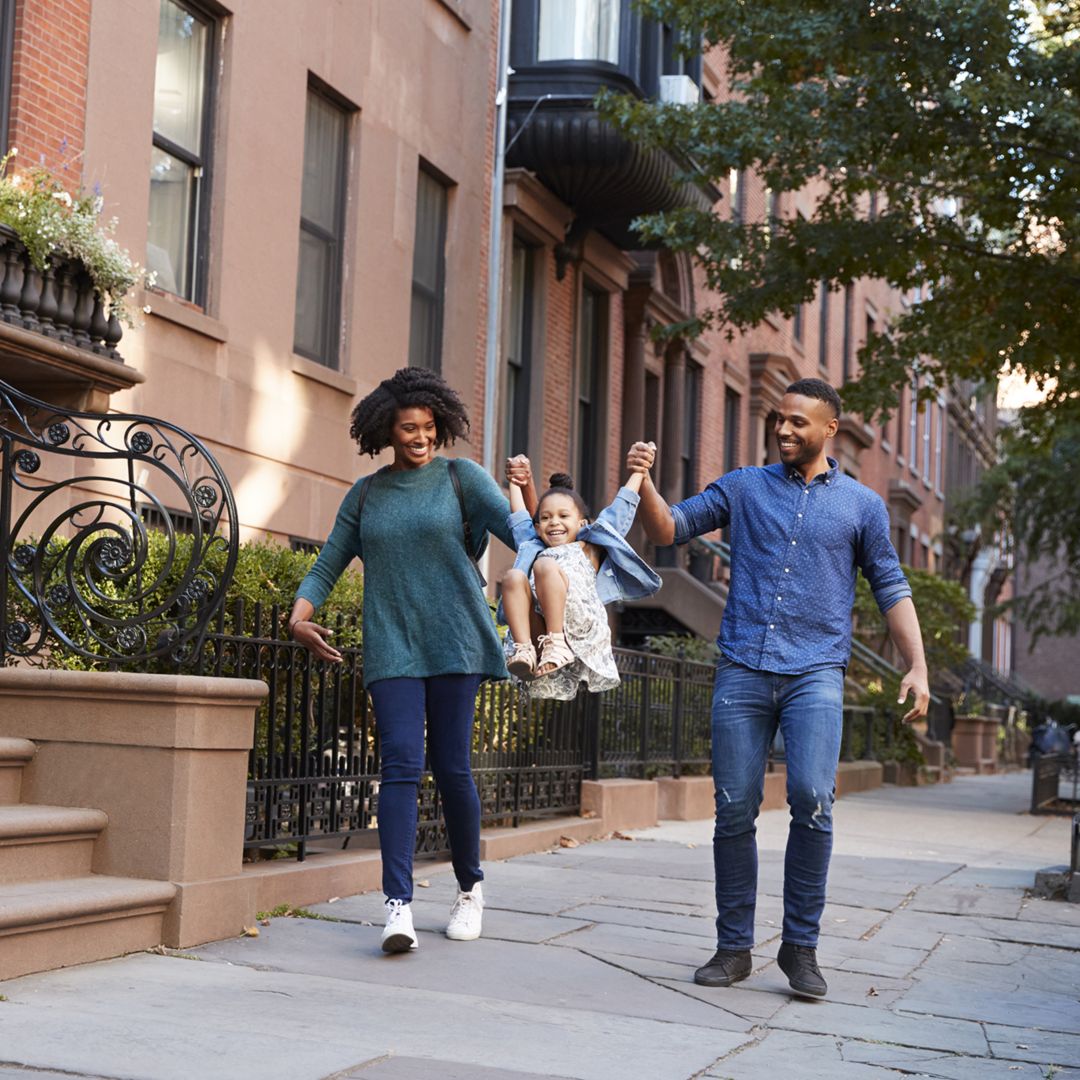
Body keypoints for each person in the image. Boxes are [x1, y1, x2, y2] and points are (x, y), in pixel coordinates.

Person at [628, 378, 929, 999]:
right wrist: (646, 483)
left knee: (813, 797)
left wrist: (917, 665)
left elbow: (891, 587)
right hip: (743, 665)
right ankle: (734, 948)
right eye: (779, 420)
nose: (785, 430)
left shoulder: (862, 506)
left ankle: (800, 948)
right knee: (734, 808)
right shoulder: (743, 486)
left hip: (816, 671)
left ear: (828, 431)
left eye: (798, 422)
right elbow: (668, 530)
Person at [287, 367, 536, 955]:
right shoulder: (367, 494)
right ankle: (396, 907)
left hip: (456, 641)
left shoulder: (462, 479)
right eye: (407, 429)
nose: (420, 437)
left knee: (452, 768)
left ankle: (470, 889)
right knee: (400, 763)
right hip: (393, 642)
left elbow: (522, 533)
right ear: (386, 431)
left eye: (428, 427)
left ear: (439, 426)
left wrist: (536, 519)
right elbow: (327, 563)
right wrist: (297, 618)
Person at [499, 457, 662, 700]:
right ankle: (525, 651)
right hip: (541, 630)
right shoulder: (533, 545)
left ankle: (557, 643)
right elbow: (519, 519)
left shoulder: (590, 544)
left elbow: (619, 511)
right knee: (513, 577)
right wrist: (514, 482)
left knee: (544, 565)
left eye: (563, 516)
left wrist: (639, 471)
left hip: (581, 626)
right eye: (545, 518)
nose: (554, 521)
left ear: (582, 523)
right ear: (537, 527)